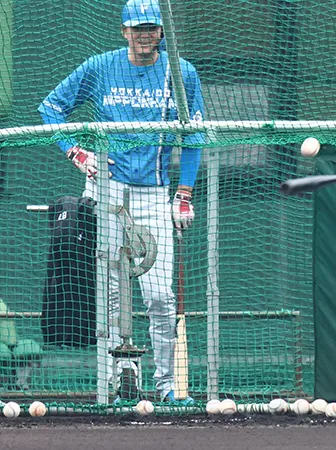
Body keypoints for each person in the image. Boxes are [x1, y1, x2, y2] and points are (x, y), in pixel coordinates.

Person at [38, 0, 205, 405]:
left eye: (151, 27)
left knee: (160, 296)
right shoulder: (101, 66)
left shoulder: (181, 72)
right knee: (112, 292)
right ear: (124, 31)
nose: (144, 34)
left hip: (154, 193)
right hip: (107, 189)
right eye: (137, 27)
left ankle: (166, 385)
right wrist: (76, 152)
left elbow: (194, 135)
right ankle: (121, 377)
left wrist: (184, 193)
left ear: (162, 31)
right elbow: (50, 108)